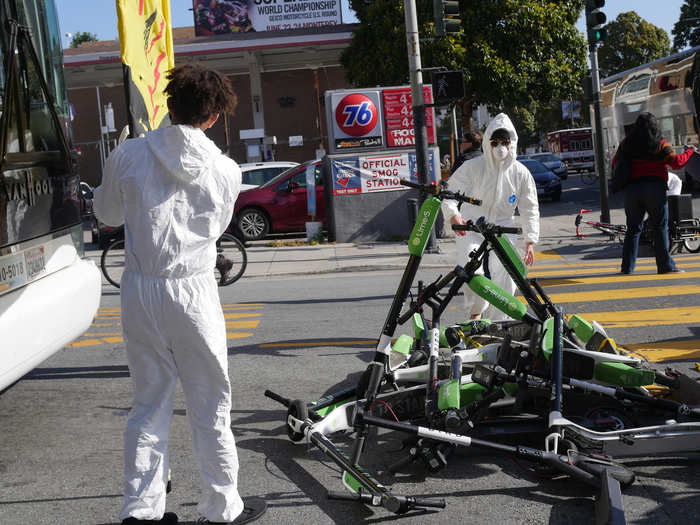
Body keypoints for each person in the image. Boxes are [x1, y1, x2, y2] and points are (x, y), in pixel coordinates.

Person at [94, 64, 266, 525]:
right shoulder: (226, 169)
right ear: (214, 118)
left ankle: (141, 509)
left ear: (168, 107)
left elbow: (107, 213)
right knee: (210, 399)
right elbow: (217, 227)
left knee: (150, 400)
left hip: (140, 287)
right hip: (193, 289)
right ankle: (222, 506)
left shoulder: (128, 154)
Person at [442, 113, 539, 320]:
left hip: (503, 227)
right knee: (472, 273)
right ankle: (476, 313)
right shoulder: (473, 167)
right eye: (495, 142)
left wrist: (530, 240)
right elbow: (449, 192)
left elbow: (530, 206)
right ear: (488, 143)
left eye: (505, 141)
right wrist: (453, 215)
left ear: (511, 143)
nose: (500, 147)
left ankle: (500, 325)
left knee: (507, 276)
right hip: (472, 227)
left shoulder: (520, 173)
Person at [613, 112, 697, 274]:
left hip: (632, 191)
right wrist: (690, 152)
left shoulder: (626, 143)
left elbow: (616, 162)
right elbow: (677, 163)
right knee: (660, 228)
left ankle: (627, 268)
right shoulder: (660, 143)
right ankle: (665, 266)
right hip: (655, 189)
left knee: (633, 229)